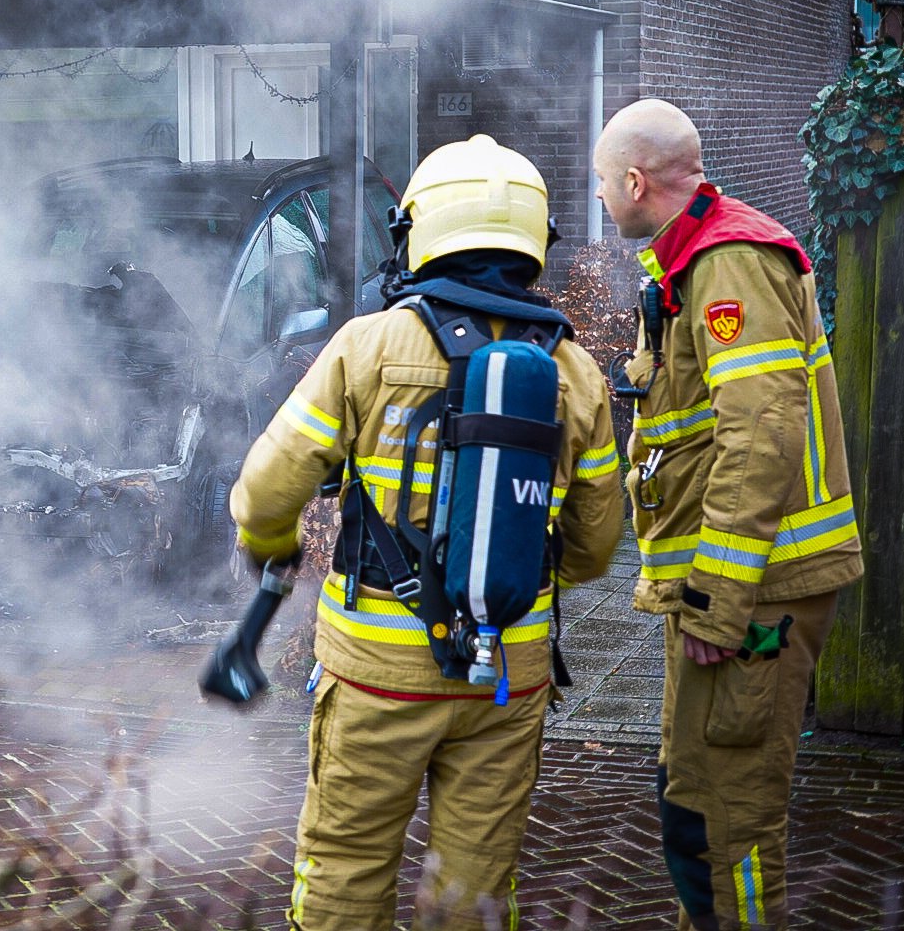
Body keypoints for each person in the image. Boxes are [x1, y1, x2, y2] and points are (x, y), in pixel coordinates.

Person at [230, 134, 623, 930]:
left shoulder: (365, 348)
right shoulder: (575, 371)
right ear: (534, 247)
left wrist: (271, 555)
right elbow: (596, 543)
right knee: (473, 890)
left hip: (376, 675)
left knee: (346, 871)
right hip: (506, 677)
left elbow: (263, 493)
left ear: (417, 235)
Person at [594, 98, 862, 930]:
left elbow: (762, 438)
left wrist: (716, 599)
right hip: (734, 595)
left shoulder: (729, 266)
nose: (603, 200)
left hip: (754, 598)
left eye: (605, 184)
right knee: (694, 794)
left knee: (730, 816)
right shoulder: (690, 263)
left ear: (635, 182)